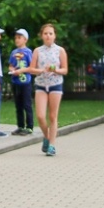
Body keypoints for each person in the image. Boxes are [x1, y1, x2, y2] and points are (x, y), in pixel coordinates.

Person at [31, 23, 67, 156]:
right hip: (41, 84)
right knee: (40, 116)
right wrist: (41, 70)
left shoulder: (60, 50)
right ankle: (46, 136)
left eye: (50, 33)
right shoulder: (37, 51)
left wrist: (55, 69)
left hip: (55, 85)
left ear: (54, 36)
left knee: (53, 116)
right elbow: (32, 69)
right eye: (45, 33)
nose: (48, 36)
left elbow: (65, 69)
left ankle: (52, 145)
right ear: (42, 36)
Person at [7, 28, 34, 136]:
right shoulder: (14, 52)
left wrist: (21, 71)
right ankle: (20, 126)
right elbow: (11, 65)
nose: (17, 40)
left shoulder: (28, 52)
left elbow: (32, 67)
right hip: (16, 82)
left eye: (19, 38)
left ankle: (29, 126)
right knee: (18, 106)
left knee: (27, 104)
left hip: (25, 82)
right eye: (16, 38)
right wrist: (12, 70)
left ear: (25, 39)